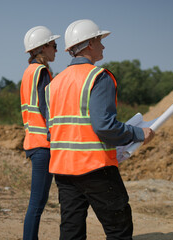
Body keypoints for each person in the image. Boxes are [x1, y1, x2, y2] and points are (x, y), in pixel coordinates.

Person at [44, 19, 155, 240]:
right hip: (95, 168)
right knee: (119, 229)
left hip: (63, 169)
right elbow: (104, 126)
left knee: (71, 231)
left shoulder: (54, 84)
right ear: (89, 44)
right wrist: (140, 134)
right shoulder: (98, 77)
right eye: (99, 41)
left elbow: (52, 132)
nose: (103, 46)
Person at [20, 26, 60, 240]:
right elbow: (47, 109)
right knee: (36, 204)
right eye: (54, 46)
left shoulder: (28, 72)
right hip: (43, 145)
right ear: (42, 48)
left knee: (36, 203)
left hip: (33, 142)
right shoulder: (42, 72)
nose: (56, 50)